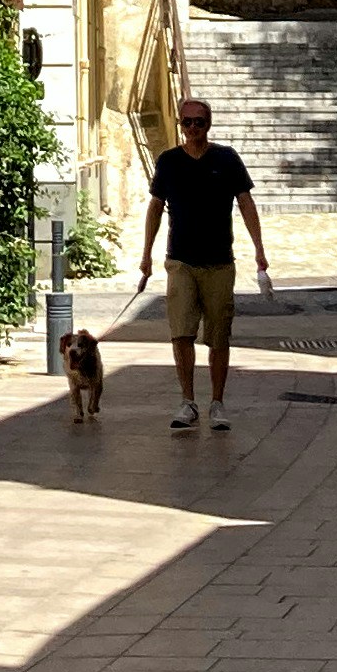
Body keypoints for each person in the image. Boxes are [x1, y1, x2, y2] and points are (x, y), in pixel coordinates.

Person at [137, 98, 270, 429]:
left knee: (219, 335)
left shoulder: (226, 159)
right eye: (187, 123)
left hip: (219, 262)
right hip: (180, 260)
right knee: (181, 332)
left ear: (208, 124)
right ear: (180, 125)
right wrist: (146, 255)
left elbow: (246, 203)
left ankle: (217, 402)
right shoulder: (168, 162)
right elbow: (155, 208)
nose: (193, 128)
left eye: (199, 122)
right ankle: (188, 401)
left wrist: (259, 249)